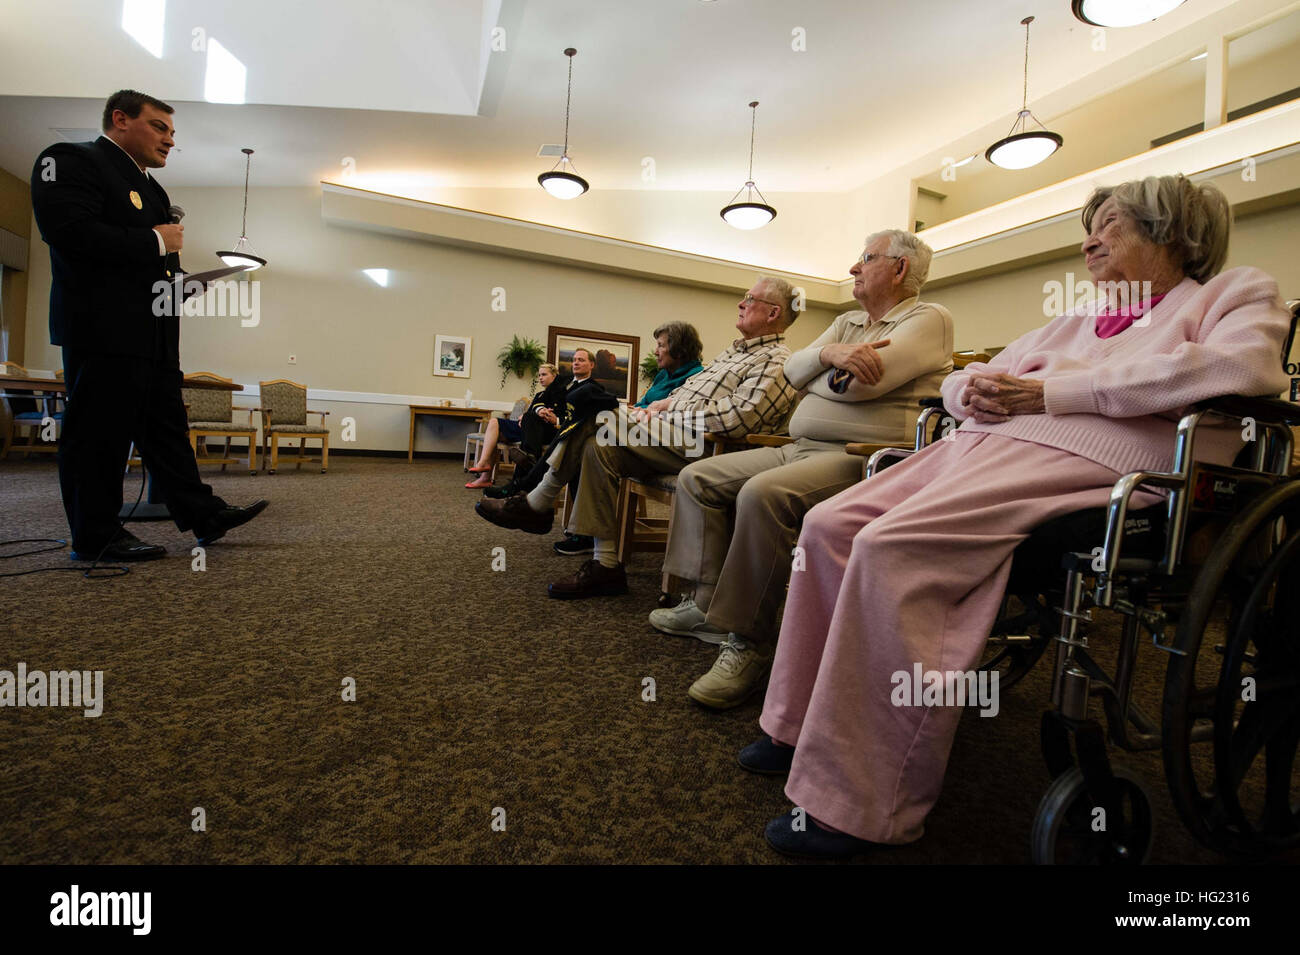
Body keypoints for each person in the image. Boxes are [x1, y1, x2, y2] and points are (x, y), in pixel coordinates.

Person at [748, 174, 1292, 859]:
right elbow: (959, 381)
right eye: (1090, 227)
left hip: (1097, 461)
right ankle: (794, 723)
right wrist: (967, 385)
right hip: (983, 446)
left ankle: (861, 801)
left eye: (1111, 225)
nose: (1090, 241)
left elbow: (1241, 371)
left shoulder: (1232, 293)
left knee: (892, 547)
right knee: (829, 525)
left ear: (1174, 235)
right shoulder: (1074, 319)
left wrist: (1050, 393)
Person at [653, 230, 953, 709]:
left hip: (863, 455)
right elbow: (791, 369)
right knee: (699, 478)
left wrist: (817, 376)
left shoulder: (929, 318)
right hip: (799, 444)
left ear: (899, 269)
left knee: (760, 495)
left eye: (866, 258)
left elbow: (859, 387)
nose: (854, 268)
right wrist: (829, 356)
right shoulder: (848, 321)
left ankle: (746, 643)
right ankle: (706, 605)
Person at [29, 89, 267, 562]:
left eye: (173, 132)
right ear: (120, 119)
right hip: (102, 328)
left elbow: (158, 266)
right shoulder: (69, 160)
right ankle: (95, 535)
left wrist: (186, 285)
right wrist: (155, 242)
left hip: (154, 333)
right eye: (159, 127)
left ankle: (204, 514)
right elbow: (67, 233)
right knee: (100, 435)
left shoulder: (154, 190)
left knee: (165, 431)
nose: (170, 141)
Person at [476, 276, 802, 600]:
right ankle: (605, 565)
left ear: (773, 313)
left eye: (750, 298)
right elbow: (684, 399)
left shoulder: (776, 360)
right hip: (670, 435)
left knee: (596, 410)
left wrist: (666, 408)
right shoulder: (731, 354)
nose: (741, 303)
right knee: (596, 446)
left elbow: (738, 419)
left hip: (709, 449)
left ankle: (538, 498)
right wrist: (655, 410)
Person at [551, 322, 706, 555]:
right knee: (594, 444)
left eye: (661, 345)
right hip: (644, 435)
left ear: (680, 350)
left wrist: (642, 412)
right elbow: (644, 405)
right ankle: (593, 542)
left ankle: (543, 491)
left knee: (594, 419)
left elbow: (675, 416)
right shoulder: (663, 375)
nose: (655, 351)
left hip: (669, 445)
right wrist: (636, 411)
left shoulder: (697, 378)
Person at [465, 363, 569, 489]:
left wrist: (543, 416)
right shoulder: (540, 395)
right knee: (494, 423)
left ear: (554, 375)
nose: (540, 378)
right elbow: (531, 411)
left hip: (542, 431)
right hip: (527, 427)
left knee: (496, 431)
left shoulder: (560, 393)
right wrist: (523, 416)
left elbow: (557, 415)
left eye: (544, 374)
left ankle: (485, 475)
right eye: (539, 375)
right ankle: (484, 466)